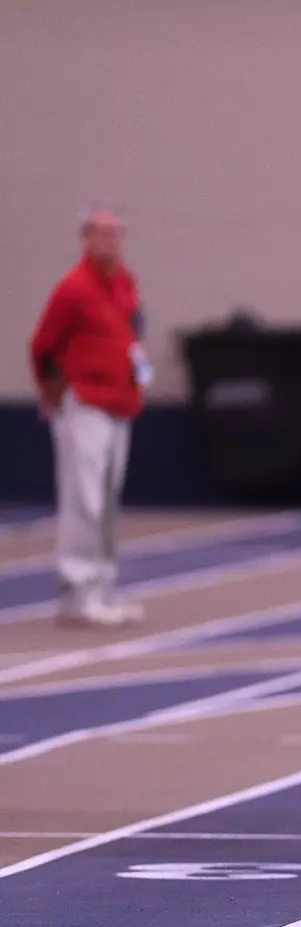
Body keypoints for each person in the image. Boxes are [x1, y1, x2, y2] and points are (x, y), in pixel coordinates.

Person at [28, 204, 153, 628]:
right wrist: (52, 392)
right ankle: (77, 592)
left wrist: (138, 379)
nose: (112, 241)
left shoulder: (124, 284)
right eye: (103, 233)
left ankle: (102, 588)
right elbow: (43, 346)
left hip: (119, 402)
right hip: (84, 403)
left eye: (117, 233)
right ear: (85, 238)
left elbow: (131, 337)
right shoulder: (73, 289)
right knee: (85, 502)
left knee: (108, 504)